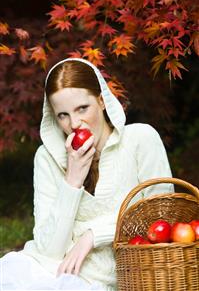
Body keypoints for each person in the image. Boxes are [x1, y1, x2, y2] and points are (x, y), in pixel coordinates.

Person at [1, 58, 174, 290]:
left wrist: (93, 236)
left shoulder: (140, 139)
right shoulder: (46, 158)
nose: (74, 123)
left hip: (119, 277)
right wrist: (72, 181)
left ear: (102, 101)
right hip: (51, 271)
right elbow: (49, 250)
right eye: (62, 115)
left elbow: (163, 214)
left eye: (82, 108)